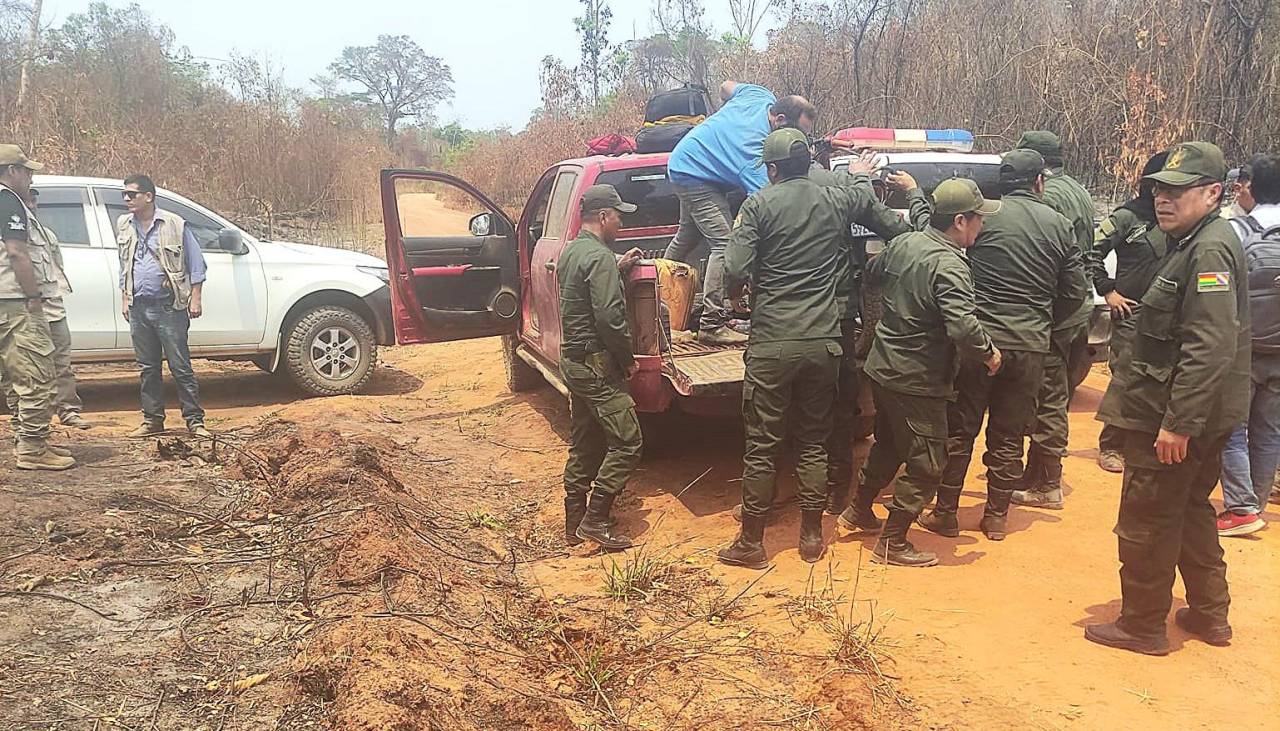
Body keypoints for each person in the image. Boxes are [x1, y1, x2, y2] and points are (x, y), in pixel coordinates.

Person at [1086, 141, 1248, 656]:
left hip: (1176, 417)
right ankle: (1208, 612)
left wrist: (1178, 423)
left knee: (1148, 519)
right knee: (1189, 509)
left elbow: (1210, 344)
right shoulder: (1193, 241)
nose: (1163, 199)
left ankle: (1141, 625)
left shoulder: (1209, 249)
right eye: (1160, 189)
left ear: (1213, 193)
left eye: (1178, 191)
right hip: (1193, 411)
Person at [716, 129, 904, 569]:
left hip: (773, 343)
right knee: (813, 442)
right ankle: (812, 537)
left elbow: (736, 267)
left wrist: (737, 292)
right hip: (824, 342)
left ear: (773, 168)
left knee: (762, 446)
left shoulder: (759, 205)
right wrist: (859, 174)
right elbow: (876, 212)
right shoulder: (836, 198)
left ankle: (751, 544)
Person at [921, 149, 1086, 541]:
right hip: (1031, 345)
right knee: (1009, 434)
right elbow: (1075, 291)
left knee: (961, 431)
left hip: (980, 343)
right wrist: (1044, 329)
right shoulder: (1060, 225)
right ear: (1040, 182)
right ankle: (996, 517)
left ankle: (945, 512)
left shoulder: (984, 219)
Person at [838, 179, 1003, 566]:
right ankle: (893, 542)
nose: (982, 226)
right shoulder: (949, 265)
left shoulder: (904, 244)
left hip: (884, 367)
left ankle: (858, 509)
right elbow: (962, 327)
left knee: (891, 445)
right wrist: (989, 354)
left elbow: (872, 276)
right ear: (960, 221)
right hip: (918, 377)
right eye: (979, 219)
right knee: (930, 461)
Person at [808, 150, 932, 516]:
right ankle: (836, 490)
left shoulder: (770, 197)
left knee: (796, 407)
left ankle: (797, 496)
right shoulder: (848, 192)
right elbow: (906, 232)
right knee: (839, 404)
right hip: (839, 316)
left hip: (791, 318)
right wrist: (863, 178)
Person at [664, 81, 817, 345]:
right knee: (724, 244)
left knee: (687, 237)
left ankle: (659, 300)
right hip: (696, 175)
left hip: (684, 160)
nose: (799, 141)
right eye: (797, 132)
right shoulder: (754, 152)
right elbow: (771, 202)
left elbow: (724, 86)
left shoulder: (760, 94)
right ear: (780, 119)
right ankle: (711, 323)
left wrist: (725, 123)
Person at [1011, 131, 1096, 509]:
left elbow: (1046, 258)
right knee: (1053, 392)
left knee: (1048, 397)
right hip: (1072, 308)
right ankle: (1036, 474)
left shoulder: (1052, 198)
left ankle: (1047, 483)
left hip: (1053, 313)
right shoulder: (1076, 189)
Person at [557, 184, 644, 551]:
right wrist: (627, 360)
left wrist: (618, 268)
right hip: (597, 366)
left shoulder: (572, 252)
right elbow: (609, 318)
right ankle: (595, 520)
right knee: (628, 442)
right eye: (618, 215)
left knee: (586, 441)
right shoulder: (600, 259)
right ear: (604, 217)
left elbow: (583, 292)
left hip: (574, 362)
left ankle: (574, 519)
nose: (621, 222)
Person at [1089, 151, 1170, 474]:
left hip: (1169, 314)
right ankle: (1111, 445)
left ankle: (1146, 440)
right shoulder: (1128, 217)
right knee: (1125, 377)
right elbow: (1090, 250)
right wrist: (1107, 290)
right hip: (1131, 311)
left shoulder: (1182, 222)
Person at [1216, 152, 1280, 537]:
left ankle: (1241, 506)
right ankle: (1253, 502)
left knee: (1230, 428)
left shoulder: (1238, 231)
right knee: (1270, 430)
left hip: (1244, 349)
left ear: (1251, 186)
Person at [117, 174, 210, 439]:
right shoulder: (124, 224)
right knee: (148, 368)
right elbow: (124, 264)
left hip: (169, 306)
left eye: (132, 194)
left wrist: (196, 297)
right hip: (139, 306)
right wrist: (125, 297)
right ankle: (152, 420)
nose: (127, 199)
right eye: (124, 194)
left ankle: (194, 420)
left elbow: (196, 264)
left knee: (180, 366)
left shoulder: (174, 224)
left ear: (149, 196)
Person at [0, 145, 75, 470]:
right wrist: (33, 297)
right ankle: (32, 447)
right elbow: (17, 252)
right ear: (12, 171)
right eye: (27, 171)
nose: (30, 177)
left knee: (15, 375)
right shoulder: (8, 200)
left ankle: (27, 439)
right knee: (36, 373)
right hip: (17, 301)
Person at [0, 187, 89, 433]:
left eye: (34, 201)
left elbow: (56, 271)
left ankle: (67, 411)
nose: (32, 205)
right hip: (26, 309)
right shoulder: (9, 235)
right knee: (24, 372)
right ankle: (28, 430)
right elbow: (16, 260)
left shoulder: (45, 235)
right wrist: (32, 299)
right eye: (28, 200)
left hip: (50, 308)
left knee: (61, 365)